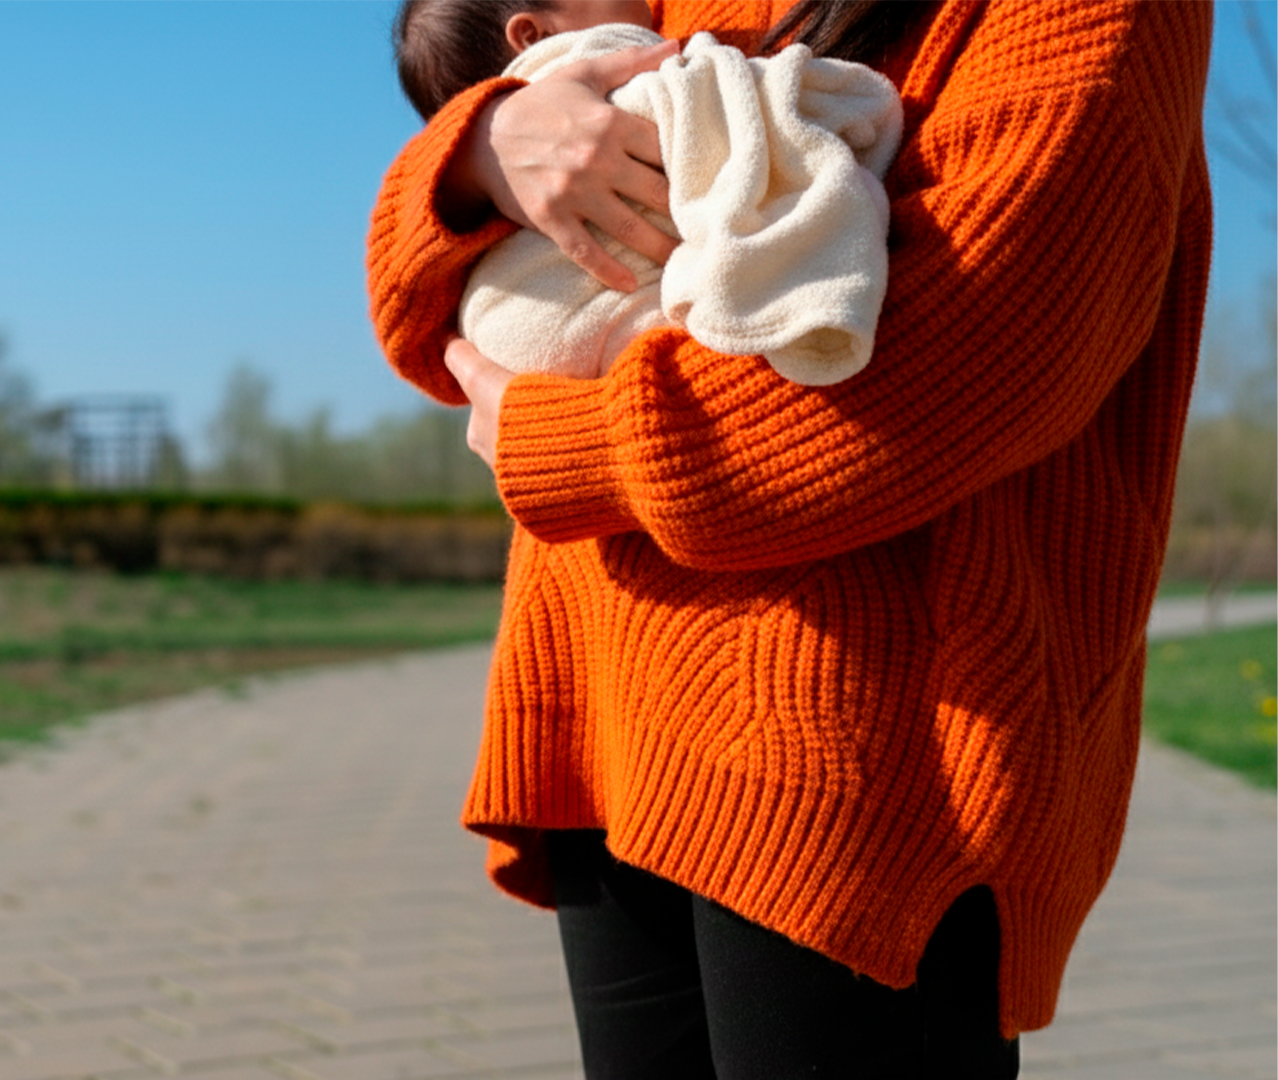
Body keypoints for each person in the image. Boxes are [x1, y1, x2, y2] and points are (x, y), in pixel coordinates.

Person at [365, 1, 1212, 1077]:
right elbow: (409, 307)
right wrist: (485, 143)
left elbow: (958, 374)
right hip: (607, 709)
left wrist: (558, 440)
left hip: (860, 761)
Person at [397, 3, 903, 385]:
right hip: (560, 339)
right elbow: (402, 302)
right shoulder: (610, 47)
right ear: (533, 33)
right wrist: (481, 146)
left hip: (509, 334)